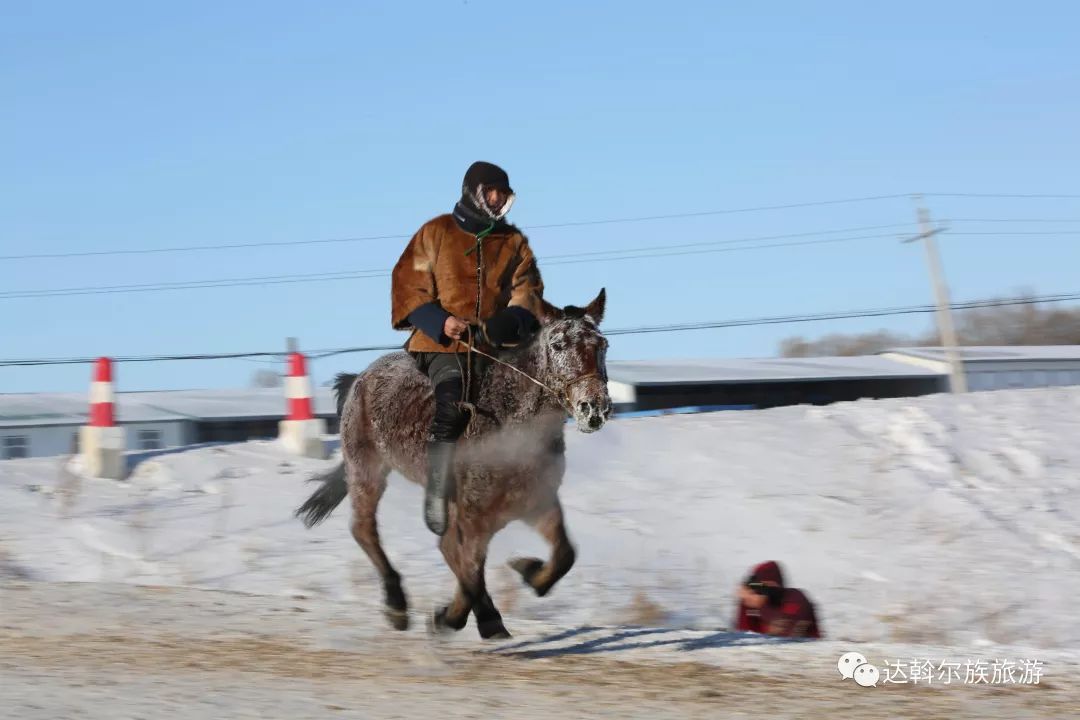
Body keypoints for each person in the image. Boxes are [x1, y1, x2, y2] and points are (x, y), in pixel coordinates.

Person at [391, 161, 544, 537]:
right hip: (441, 345)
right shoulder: (435, 232)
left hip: (494, 346)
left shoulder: (514, 243)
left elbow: (528, 293)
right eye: (490, 192)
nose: (496, 199)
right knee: (453, 396)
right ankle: (437, 491)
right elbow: (407, 284)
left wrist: (506, 322)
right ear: (473, 192)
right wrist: (440, 321)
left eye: (502, 194)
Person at [734, 560, 822, 639]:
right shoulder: (752, 604)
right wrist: (746, 604)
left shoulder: (796, 600)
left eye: (768, 585)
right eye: (760, 586)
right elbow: (744, 637)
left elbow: (789, 640)